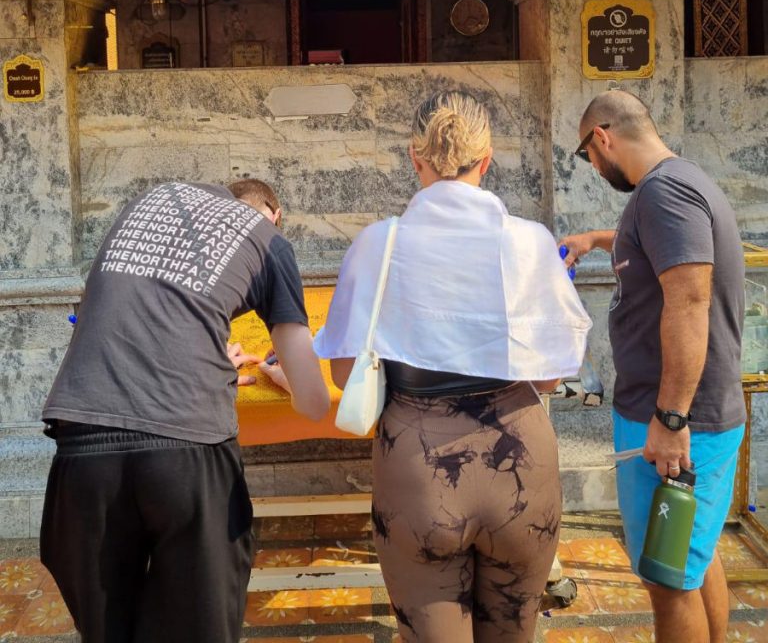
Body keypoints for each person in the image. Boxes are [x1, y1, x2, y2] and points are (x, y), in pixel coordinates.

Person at [313, 91, 592, 643]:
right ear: (486, 161)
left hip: (417, 466)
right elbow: (551, 375)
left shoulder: (379, 244)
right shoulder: (528, 242)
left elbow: (345, 375)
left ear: (414, 157)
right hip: (519, 460)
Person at [40, 178, 329, 643]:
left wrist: (210, 358)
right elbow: (314, 403)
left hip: (81, 447)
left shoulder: (150, 202)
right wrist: (281, 375)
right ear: (272, 213)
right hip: (185, 452)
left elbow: (144, 316)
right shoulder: (269, 241)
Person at [559, 90, 746, 643]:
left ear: (603, 137)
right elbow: (666, 248)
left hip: (679, 423)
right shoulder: (677, 185)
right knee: (695, 558)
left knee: (667, 581)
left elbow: (688, 300)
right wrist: (596, 239)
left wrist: (670, 419)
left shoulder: (663, 195)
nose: (593, 167)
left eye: (588, 156)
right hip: (692, 416)